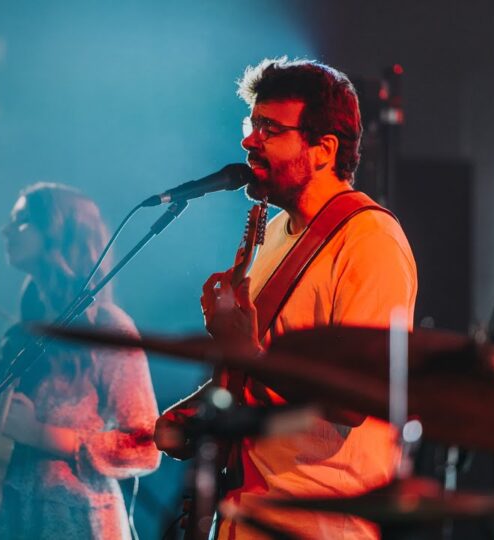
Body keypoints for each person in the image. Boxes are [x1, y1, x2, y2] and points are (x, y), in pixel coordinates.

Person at [155, 57, 418, 539]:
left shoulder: (370, 241)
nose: (249, 141)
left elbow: (354, 400)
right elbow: (265, 378)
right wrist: (199, 411)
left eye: (270, 129)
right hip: (245, 517)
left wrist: (246, 352)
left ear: (323, 149)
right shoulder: (276, 231)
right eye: (252, 125)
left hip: (317, 524)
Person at [0, 183, 161, 539]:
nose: (6, 230)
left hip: (80, 521)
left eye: (22, 220)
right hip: (12, 522)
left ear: (59, 231)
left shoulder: (107, 327)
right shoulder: (20, 333)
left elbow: (146, 447)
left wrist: (41, 435)